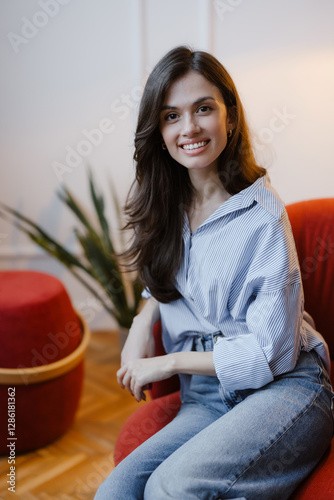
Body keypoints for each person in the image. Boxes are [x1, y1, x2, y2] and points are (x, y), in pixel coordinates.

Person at [95, 46, 333, 500]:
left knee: (172, 488)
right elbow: (164, 281)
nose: (189, 128)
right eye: (171, 115)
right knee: (116, 493)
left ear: (229, 115)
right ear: (158, 129)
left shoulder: (263, 215)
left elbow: (271, 356)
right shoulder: (165, 204)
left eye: (203, 108)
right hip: (205, 396)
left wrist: (166, 362)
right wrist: (142, 323)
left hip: (285, 390)